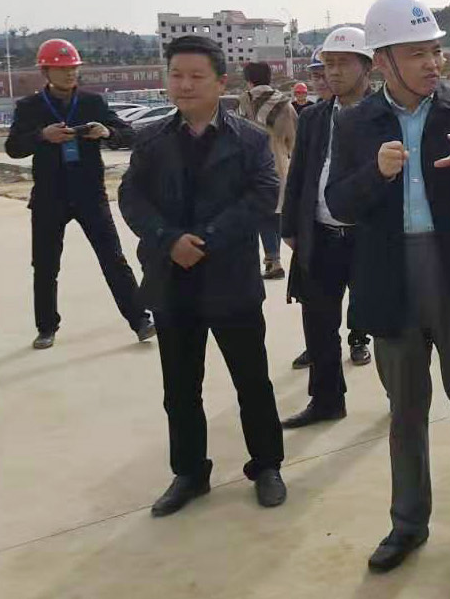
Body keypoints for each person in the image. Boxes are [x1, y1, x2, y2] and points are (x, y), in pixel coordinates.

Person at [326, 0, 450, 579]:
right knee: (405, 413)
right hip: (391, 279)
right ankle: (407, 523)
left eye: (436, 51)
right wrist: (375, 174)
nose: (433, 63)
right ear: (383, 61)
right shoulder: (355, 124)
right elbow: (338, 204)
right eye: (417, 54)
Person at [118, 35, 286, 517]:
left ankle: (267, 465)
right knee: (180, 388)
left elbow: (262, 195)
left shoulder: (249, 139)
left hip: (230, 279)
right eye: (176, 75)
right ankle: (190, 472)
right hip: (172, 280)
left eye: (196, 76)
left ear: (220, 83)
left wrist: (206, 240)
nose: (184, 85)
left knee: (252, 381)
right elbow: (131, 197)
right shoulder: (151, 139)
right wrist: (168, 239)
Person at [6, 39, 153, 350]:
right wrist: (42, 136)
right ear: (46, 71)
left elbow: (128, 135)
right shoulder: (30, 107)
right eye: (62, 69)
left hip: (90, 195)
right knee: (45, 265)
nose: (70, 74)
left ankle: (140, 320)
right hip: (49, 197)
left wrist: (106, 132)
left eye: (73, 68)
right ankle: (46, 327)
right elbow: (13, 147)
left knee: (114, 259)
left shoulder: (92, 103)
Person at [279, 27, 377, 430]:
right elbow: (300, 174)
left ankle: (404, 399)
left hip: (368, 237)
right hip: (320, 234)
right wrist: (290, 226)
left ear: (367, 67)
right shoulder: (315, 117)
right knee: (318, 324)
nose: (333, 72)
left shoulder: (384, 115)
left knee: (387, 321)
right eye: (328, 64)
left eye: (343, 63)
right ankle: (326, 400)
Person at [237, 62, 297, 281]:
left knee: (255, 216)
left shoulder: (244, 101)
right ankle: (274, 260)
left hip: (250, 166)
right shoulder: (285, 105)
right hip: (278, 166)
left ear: (249, 80)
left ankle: (262, 263)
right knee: (274, 214)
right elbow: (294, 141)